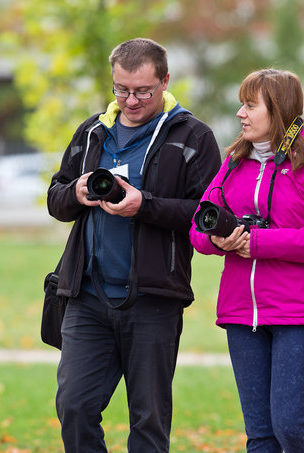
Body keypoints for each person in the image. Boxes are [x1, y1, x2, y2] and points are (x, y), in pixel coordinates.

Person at [47, 37, 221, 453]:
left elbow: (208, 213)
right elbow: (56, 198)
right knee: (74, 408)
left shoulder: (193, 136)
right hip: (86, 296)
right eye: (121, 89)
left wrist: (145, 206)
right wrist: (78, 192)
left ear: (164, 81)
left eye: (143, 90)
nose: (131, 100)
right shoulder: (92, 132)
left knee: (148, 420)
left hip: (154, 298)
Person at [189, 68, 304, 453]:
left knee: (290, 426)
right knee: (261, 436)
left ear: (278, 110)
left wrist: (262, 242)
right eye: (241, 104)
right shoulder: (235, 161)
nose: (240, 114)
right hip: (241, 313)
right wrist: (220, 239)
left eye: (250, 105)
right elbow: (198, 227)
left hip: (300, 311)